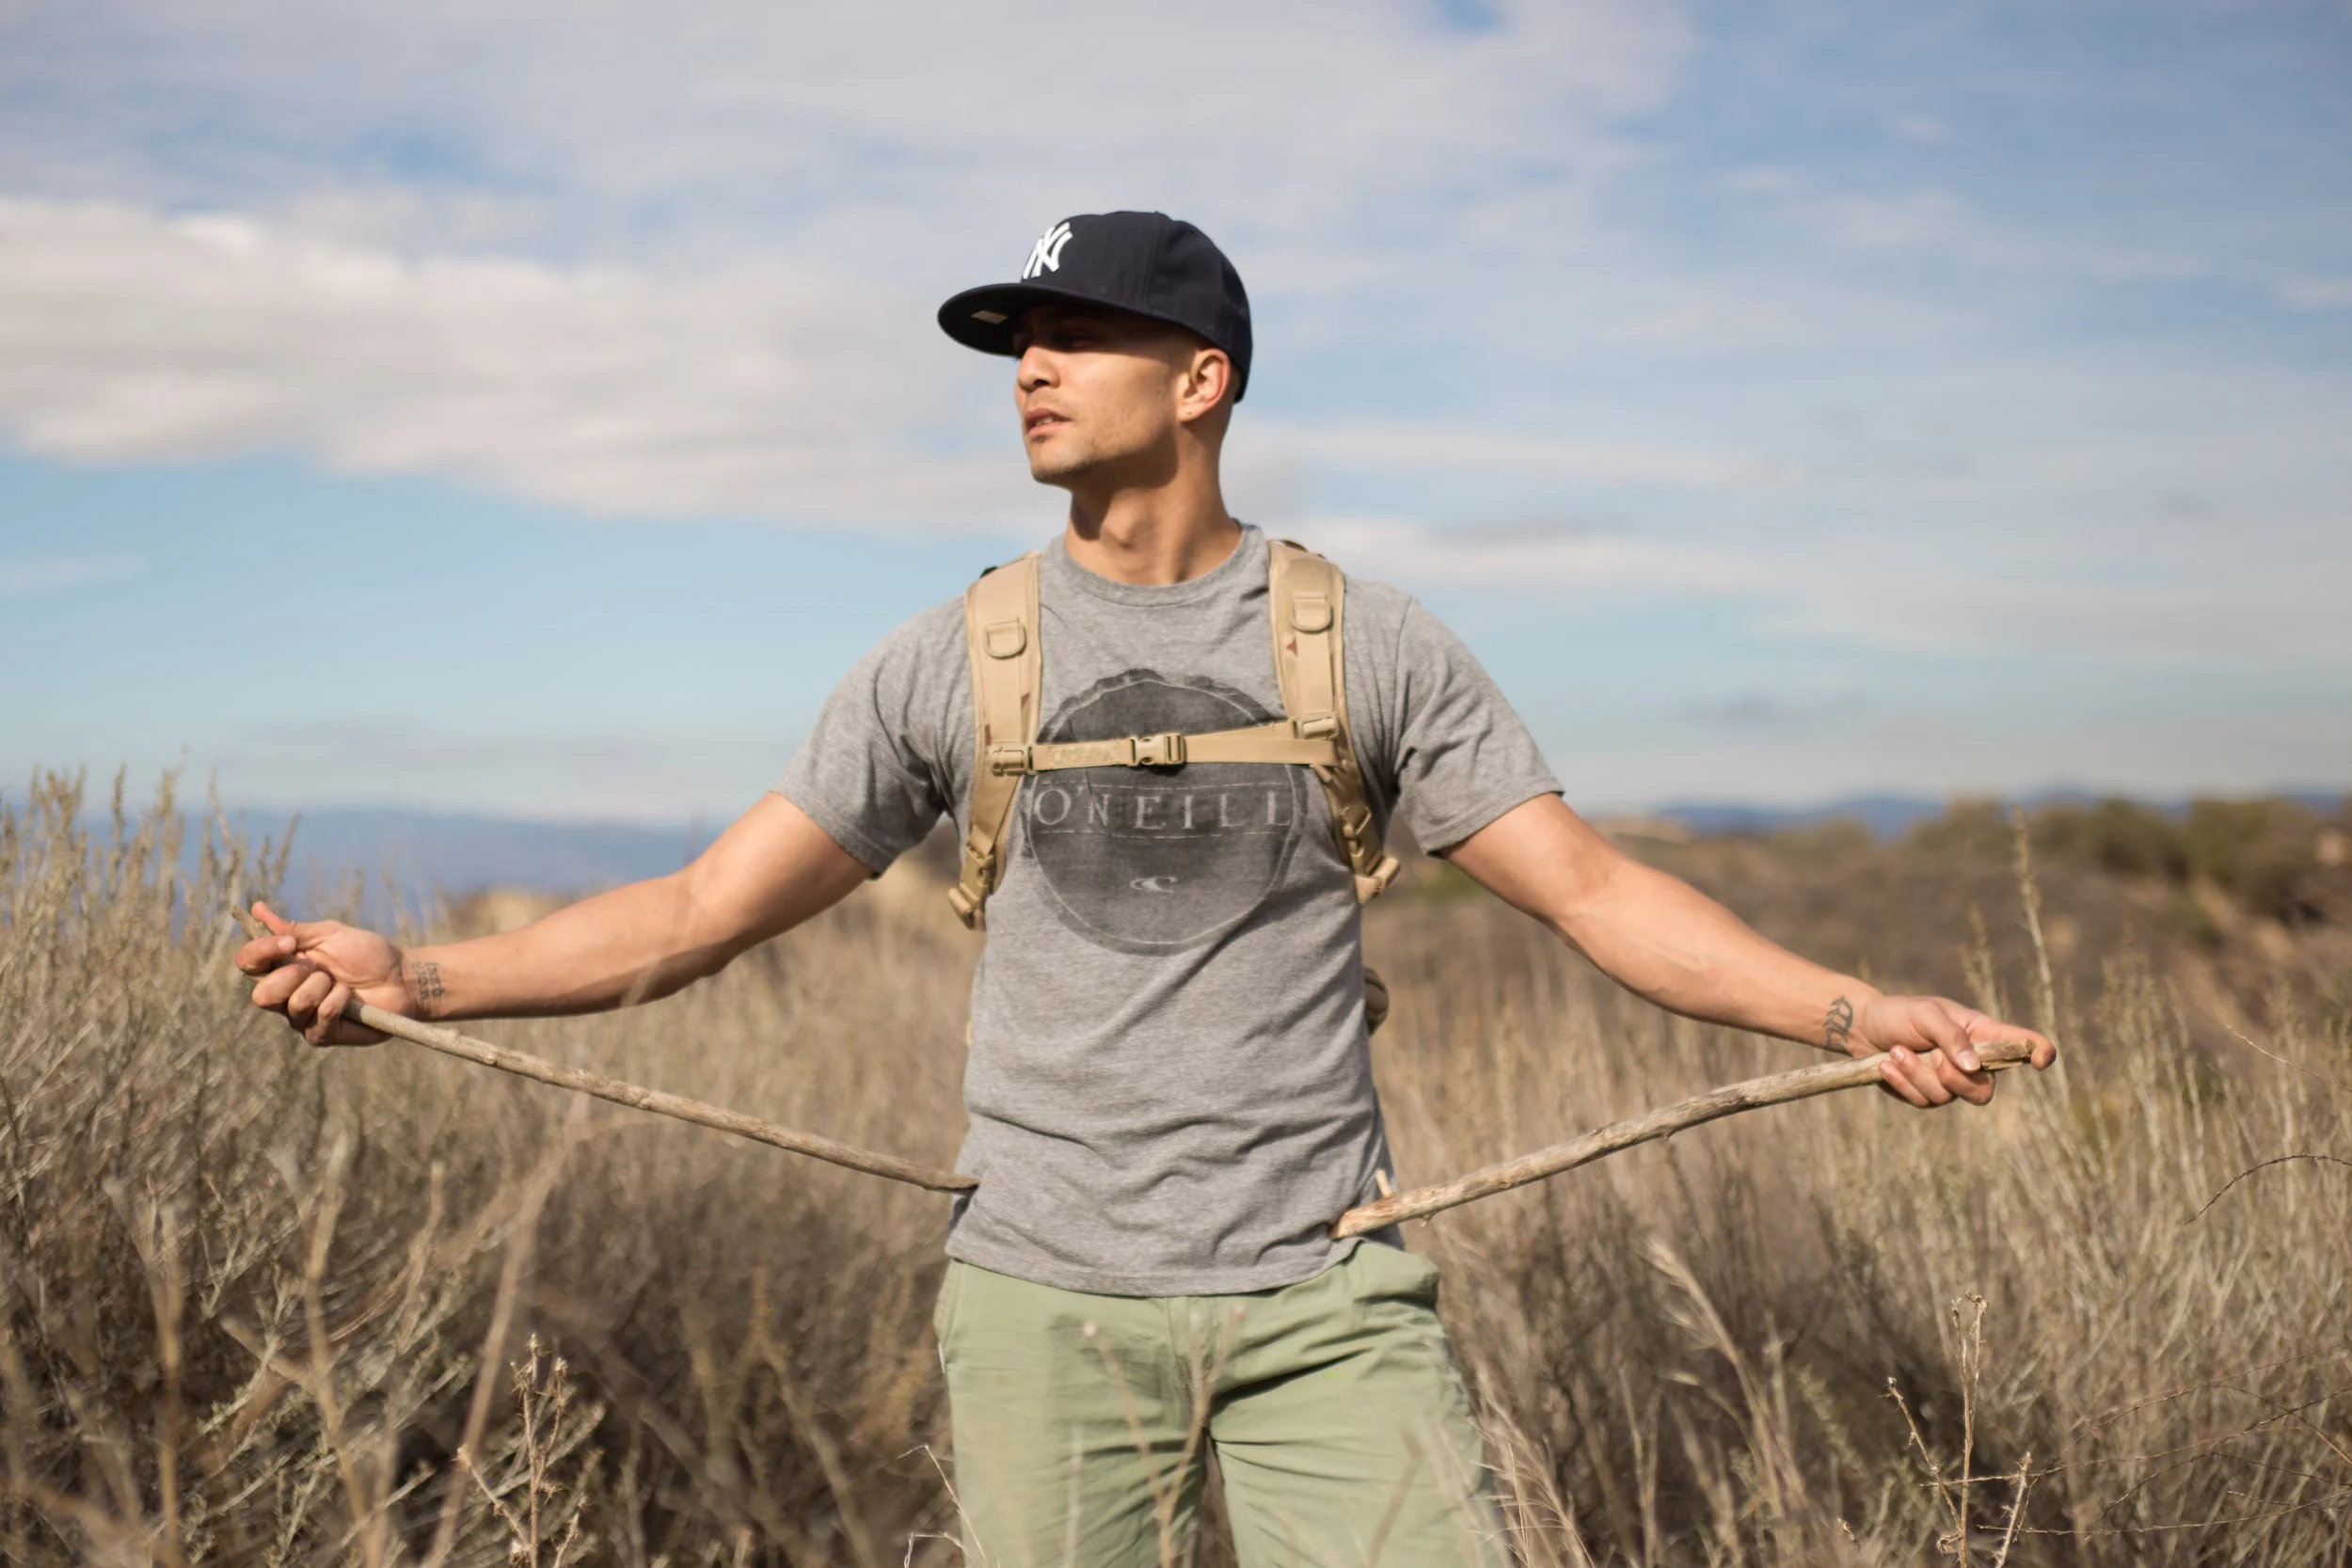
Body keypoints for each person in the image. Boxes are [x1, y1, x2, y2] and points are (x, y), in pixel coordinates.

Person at [237, 211, 2058, 1568]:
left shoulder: (1362, 640)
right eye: (1016, 340)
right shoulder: (957, 654)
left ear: (1203, 381)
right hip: (1042, 1305)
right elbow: (702, 909)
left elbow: (1590, 892)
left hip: (1324, 1299)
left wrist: (1853, 1010)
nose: (1029, 366)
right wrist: (424, 975)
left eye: (1076, 333)